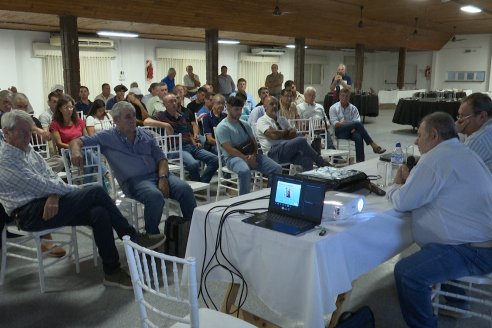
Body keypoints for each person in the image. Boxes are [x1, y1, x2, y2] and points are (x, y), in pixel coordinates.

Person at [0, 110, 165, 290]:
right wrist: (68, 191)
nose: (28, 137)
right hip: (27, 214)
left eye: (29, 132)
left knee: (99, 212)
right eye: (22, 132)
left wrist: (54, 195)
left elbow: (50, 177)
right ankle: (132, 235)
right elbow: (39, 185)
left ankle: (112, 271)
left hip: (47, 202)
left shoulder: (27, 150)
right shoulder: (5, 160)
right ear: (6, 133)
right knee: (95, 192)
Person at [387, 112, 492, 328]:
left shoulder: (435, 159)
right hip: (480, 242)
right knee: (437, 246)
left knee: (407, 273)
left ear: (434, 135)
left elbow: (403, 202)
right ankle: (458, 303)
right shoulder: (464, 152)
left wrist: (397, 185)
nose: (416, 141)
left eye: (419, 135)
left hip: (473, 250)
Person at [69, 101, 196, 237]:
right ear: (116, 120)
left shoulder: (145, 135)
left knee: (185, 189)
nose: (133, 120)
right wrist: (76, 152)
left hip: (159, 175)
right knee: (155, 197)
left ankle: (193, 229)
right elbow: (76, 141)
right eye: (127, 117)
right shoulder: (107, 137)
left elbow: (162, 159)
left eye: (134, 116)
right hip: (135, 181)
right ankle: (151, 235)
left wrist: (163, 178)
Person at [216, 95, 282, 195]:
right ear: (228, 108)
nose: (239, 112)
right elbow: (229, 149)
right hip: (232, 158)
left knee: (277, 168)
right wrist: (247, 159)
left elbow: (254, 143)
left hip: (250, 154)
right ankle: (244, 199)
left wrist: (254, 156)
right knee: (244, 171)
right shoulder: (222, 127)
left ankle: (270, 196)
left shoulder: (245, 124)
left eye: (240, 109)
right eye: (236, 109)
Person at [153, 94, 218, 183]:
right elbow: (146, 121)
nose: (174, 103)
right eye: (171, 101)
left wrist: (195, 143)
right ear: (164, 104)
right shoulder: (160, 115)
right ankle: (200, 184)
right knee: (194, 164)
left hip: (190, 146)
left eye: (175, 100)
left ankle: (201, 183)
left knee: (215, 159)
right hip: (175, 149)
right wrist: (165, 125)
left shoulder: (182, 116)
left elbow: (187, 133)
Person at [256, 96, 330, 171]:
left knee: (307, 159)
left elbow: (293, 134)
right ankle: (321, 162)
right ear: (265, 107)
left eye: (276, 104)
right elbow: (273, 136)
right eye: (272, 104)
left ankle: (306, 181)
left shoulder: (282, 120)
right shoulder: (262, 121)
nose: (275, 106)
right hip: (272, 154)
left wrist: (280, 133)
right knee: (301, 140)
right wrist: (286, 132)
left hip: (287, 150)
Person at [329, 88, 385, 162]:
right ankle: (373, 145)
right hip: (340, 132)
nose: (344, 98)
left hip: (352, 131)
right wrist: (352, 125)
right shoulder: (333, 108)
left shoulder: (353, 108)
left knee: (359, 136)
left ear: (349, 97)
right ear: (339, 96)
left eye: (347, 96)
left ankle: (360, 161)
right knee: (357, 124)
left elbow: (357, 122)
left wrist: (352, 126)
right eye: (343, 96)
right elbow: (336, 124)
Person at [455, 92, 492, 173]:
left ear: (482, 116)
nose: (459, 121)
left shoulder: (479, 140)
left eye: (463, 116)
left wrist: (452, 134)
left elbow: (454, 168)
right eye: (459, 116)